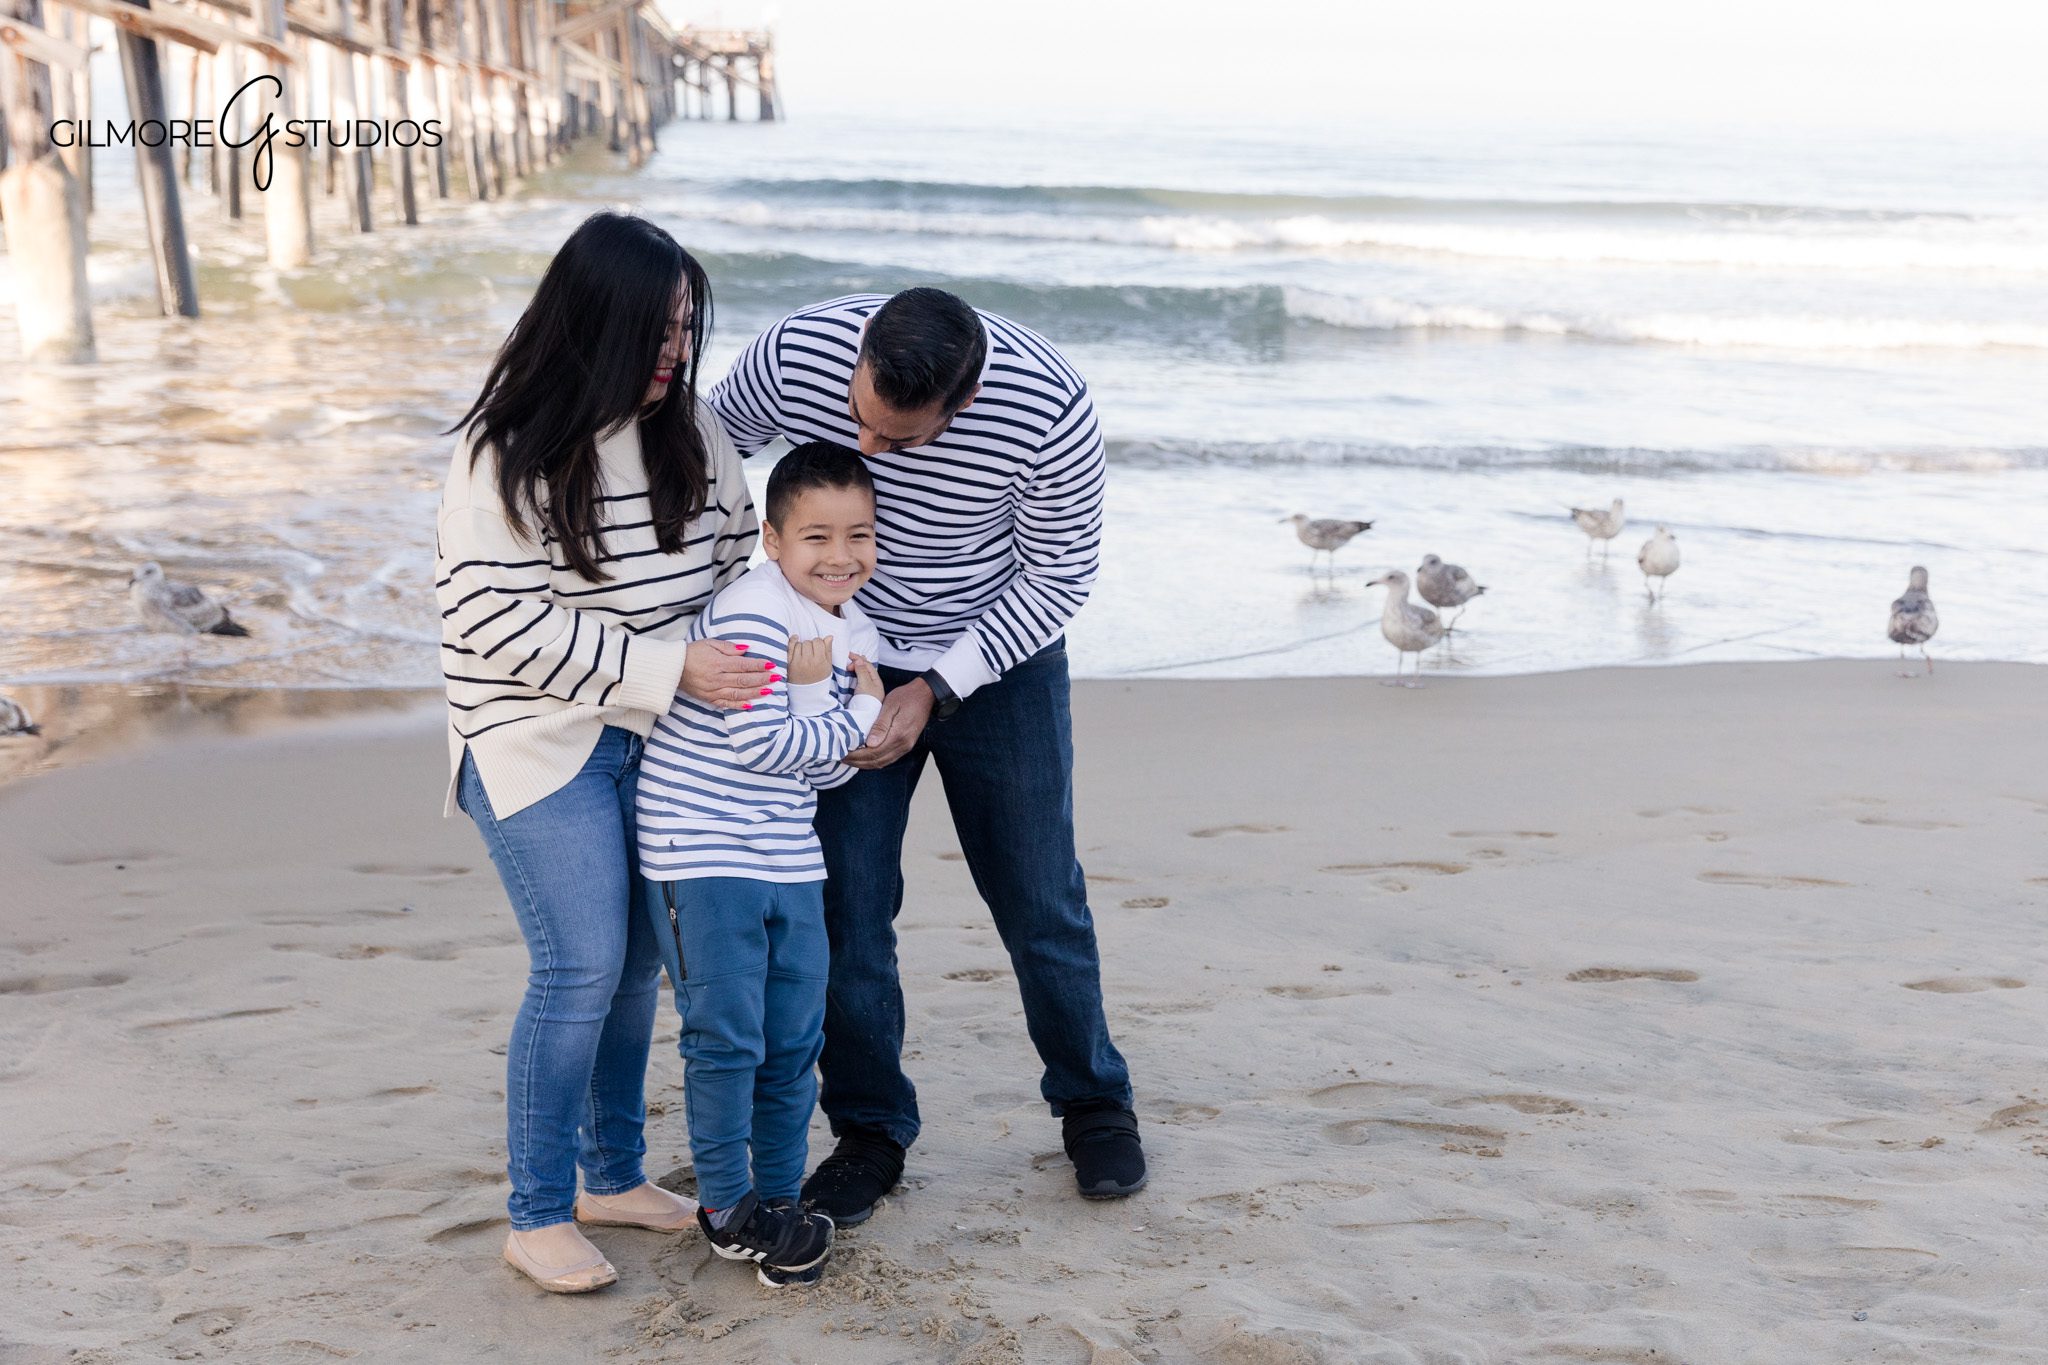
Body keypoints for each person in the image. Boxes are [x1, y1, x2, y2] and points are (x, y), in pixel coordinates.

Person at [707, 288, 1144, 1224]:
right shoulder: (797, 353)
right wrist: (756, 612)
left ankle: (1094, 1100)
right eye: (861, 420)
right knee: (847, 905)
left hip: (998, 655)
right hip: (835, 655)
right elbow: (703, 461)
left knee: (1037, 893)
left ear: (966, 400)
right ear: (858, 355)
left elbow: (1061, 570)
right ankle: (870, 1131)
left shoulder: (1047, 407)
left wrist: (933, 686)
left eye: (901, 442)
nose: (871, 450)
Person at [435, 212, 768, 1294]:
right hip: (534, 740)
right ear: (596, 326)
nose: (676, 352)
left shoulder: (692, 428)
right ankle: (535, 1214)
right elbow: (495, 623)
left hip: (663, 738)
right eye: (658, 331)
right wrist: (668, 669)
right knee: (577, 965)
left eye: (685, 328)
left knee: (634, 973)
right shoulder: (501, 451)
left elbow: (729, 565)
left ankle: (609, 1176)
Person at [634, 441, 886, 1287]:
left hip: (787, 853)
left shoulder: (841, 629)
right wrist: (867, 706)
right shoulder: (752, 612)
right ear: (772, 541)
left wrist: (823, 704)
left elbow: (819, 767)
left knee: (792, 1039)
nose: (841, 555)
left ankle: (777, 1197)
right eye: (816, 537)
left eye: (859, 534)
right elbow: (767, 742)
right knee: (728, 1037)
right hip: (702, 850)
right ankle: (727, 1206)